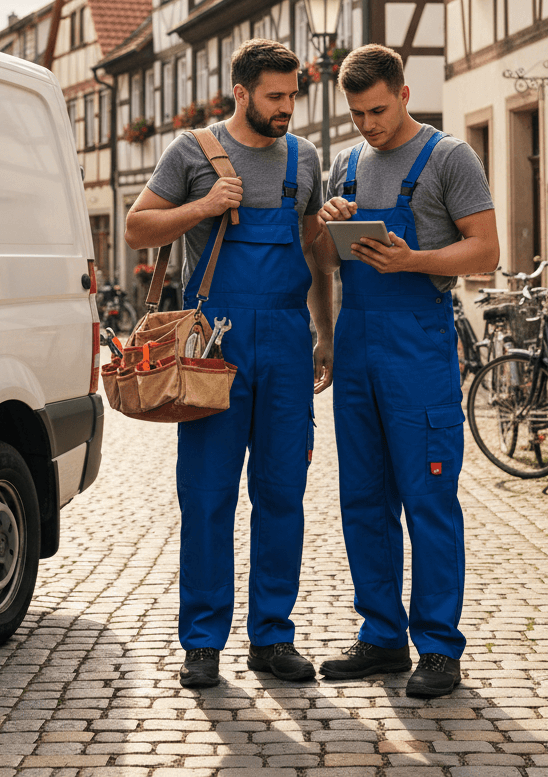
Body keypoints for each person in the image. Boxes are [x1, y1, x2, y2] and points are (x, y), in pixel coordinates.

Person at [125, 38, 333, 688]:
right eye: (276, 96)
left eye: (294, 95)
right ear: (240, 93)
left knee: (282, 495)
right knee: (208, 496)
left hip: (288, 342)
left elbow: (317, 251)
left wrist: (326, 333)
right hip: (212, 345)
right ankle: (203, 642)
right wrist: (203, 207)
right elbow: (137, 227)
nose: (287, 108)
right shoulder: (191, 151)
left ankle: (272, 636)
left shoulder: (305, 159)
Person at [311, 44, 498, 698]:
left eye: (379, 111)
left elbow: (487, 250)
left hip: (418, 349)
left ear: (405, 93)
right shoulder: (347, 162)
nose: (369, 126)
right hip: (358, 345)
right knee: (364, 500)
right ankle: (383, 637)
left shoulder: (449, 157)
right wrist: (325, 226)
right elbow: (327, 264)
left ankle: (440, 648)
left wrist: (413, 261)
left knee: (429, 501)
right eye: (358, 114)